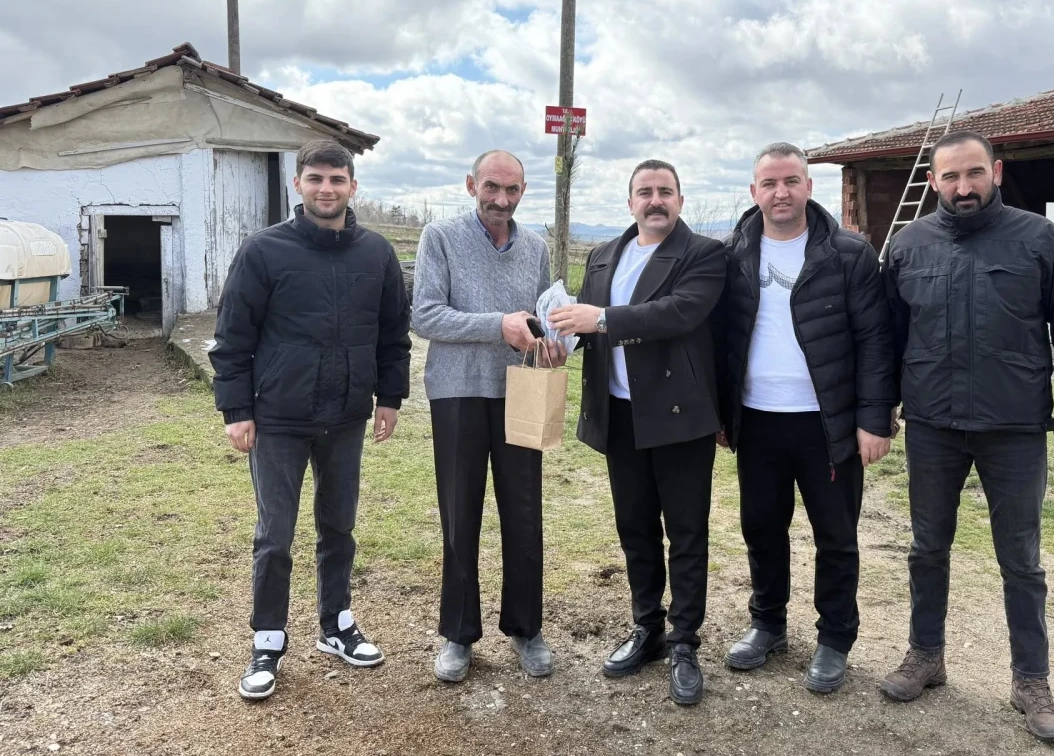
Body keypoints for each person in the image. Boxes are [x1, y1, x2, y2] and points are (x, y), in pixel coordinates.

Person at [879, 130, 1054, 744]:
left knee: (1021, 561)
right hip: (932, 424)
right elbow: (885, 338)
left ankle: (1031, 680)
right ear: (934, 181)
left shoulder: (1038, 239)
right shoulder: (909, 244)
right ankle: (926, 655)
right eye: (951, 177)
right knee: (927, 548)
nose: (964, 186)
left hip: (1014, 426)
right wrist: (879, 409)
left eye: (974, 173)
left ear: (996, 172)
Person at [211, 139, 412, 701]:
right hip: (278, 417)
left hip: (346, 415)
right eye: (316, 178)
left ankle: (336, 625)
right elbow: (233, 336)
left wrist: (390, 397)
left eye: (337, 179)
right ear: (297, 184)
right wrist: (237, 410)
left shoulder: (376, 254)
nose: (327, 188)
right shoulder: (263, 250)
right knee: (275, 535)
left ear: (353, 186)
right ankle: (268, 640)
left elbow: (393, 334)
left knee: (339, 526)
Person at [715, 142, 897, 694]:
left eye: (791, 181)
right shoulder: (732, 255)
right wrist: (722, 412)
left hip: (827, 421)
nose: (781, 192)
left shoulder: (849, 253)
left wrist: (875, 419)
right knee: (761, 527)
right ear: (754, 191)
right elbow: (722, 339)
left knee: (835, 535)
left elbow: (875, 340)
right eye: (770, 183)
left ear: (809, 187)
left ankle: (835, 638)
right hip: (757, 419)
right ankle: (768, 623)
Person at [548, 159, 725, 706]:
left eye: (665, 191)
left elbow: (678, 313)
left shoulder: (704, 254)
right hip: (619, 412)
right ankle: (647, 627)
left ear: (680, 200)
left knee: (687, 532)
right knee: (636, 528)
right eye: (644, 192)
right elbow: (585, 327)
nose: (655, 200)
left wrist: (600, 318)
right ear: (630, 203)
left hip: (679, 414)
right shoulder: (604, 254)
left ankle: (684, 642)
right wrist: (559, 334)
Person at [412, 149, 565, 683]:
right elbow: (425, 315)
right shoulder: (440, 237)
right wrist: (498, 325)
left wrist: (552, 341)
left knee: (524, 512)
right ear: (471, 184)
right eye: (492, 187)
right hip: (456, 392)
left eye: (512, 190)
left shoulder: (536, 247)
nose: (501, 199)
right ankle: (458, 632)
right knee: (460, 513)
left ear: (523, 191)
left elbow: (539, 319)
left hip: (521, 390)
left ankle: (526, 627)